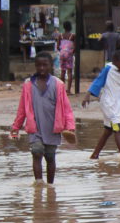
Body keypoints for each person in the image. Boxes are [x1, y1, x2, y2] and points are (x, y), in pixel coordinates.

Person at [10, 52, 77, 184]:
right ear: (35, 66)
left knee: (50, 157)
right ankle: (39, 183)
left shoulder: (58, 84)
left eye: (45, 65)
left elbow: (66, 109)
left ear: (51, 66)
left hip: (53, 128)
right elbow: (22, 108)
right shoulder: (28, 84)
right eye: (38, 65)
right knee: (36, 152)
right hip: (35, 127)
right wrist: (15, 127)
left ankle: (50, 186)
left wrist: (70, 127)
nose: (41, 68)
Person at [58, 20, 76, 94]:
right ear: (70, 27)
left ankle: (62, 90)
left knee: (63, 71)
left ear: (64, 27)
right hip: (69, 54)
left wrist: (62, 51)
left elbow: (57, 46)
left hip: (62, 54)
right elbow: (75, 46)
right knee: (69, 72)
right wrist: (71, 53)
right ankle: (68, 90)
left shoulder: (60, 35)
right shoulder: (73, 35)